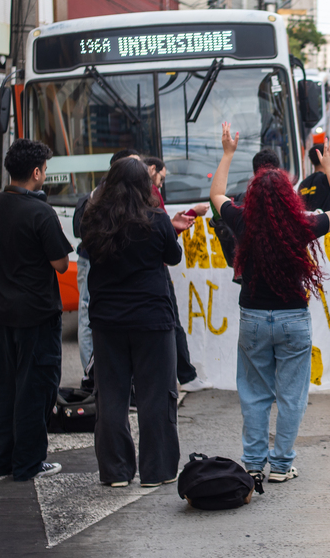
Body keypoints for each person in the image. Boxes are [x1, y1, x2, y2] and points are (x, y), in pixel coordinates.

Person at [210, 124, 330, 484]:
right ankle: (282, 465)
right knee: (291, 395)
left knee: (255, 394)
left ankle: (254, 463)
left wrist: (228, 153)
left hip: (253, 317)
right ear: (289, 194)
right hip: (293, 318)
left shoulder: (243, 221)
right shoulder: (301, 224)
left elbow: (217, 195)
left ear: (253, 194)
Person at [82, 157, 195, 487]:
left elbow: (87, 252)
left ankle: (116, 471)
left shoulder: (93, 217)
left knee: (112, 397)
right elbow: (172, 256)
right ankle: (156, 470)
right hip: (151, 318)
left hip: (107, 320)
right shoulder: (156, 218)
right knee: (155, 395)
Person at [0, 139, 73, 481]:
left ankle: (1, 462)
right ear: (36, 172)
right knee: (35, 390)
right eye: (45, 170)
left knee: (6, 391)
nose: (45, 176)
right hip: (37, 315)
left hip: (2, 314)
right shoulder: (40, 212)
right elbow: (61, 264)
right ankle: (29, 463)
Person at [143, 156, 213, 393]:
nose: (161, 185)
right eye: (161, 178)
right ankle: (186, 375)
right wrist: (191, 213)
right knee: (172, 322)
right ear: (152, 170)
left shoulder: (116, 202)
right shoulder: (150, 195)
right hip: (157, 271)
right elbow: (167, 243)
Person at [74, 148, 143, 384]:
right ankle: (91, 373)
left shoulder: (130, 195)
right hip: (91, 262)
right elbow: (80, 231)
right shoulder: (98, 195)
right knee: (87, 314)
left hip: (103, 265)